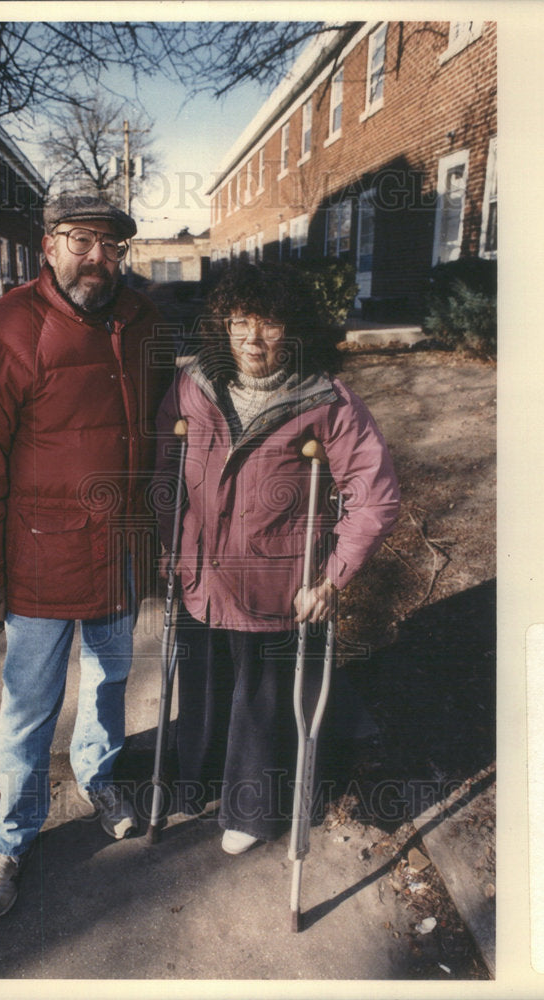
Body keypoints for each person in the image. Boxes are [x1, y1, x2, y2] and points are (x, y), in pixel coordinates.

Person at [0, 194, 165, 918]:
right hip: (40, 560)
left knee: (108, 683)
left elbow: (166, 425)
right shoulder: (4, 329)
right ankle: (13, 835)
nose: (97, 258)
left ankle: (98, 777)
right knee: (30, 705)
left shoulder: (140, 322)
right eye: (80, 241)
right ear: (48, 246)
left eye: (111, 246)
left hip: (121, 550)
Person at [154, 262, 400, 855]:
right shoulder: (193, 386)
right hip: (201, 576)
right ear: (224, 326)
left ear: (293, 330)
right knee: (208, 684)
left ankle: (254, 810)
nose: (253, 340)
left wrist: (333, 577)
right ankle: (200, 781)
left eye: (267, 325)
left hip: (278, 582)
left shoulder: (328, 401)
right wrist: (170, 542)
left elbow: (376, 497)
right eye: (240, 323)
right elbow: (164, 468)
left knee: (264, 698)